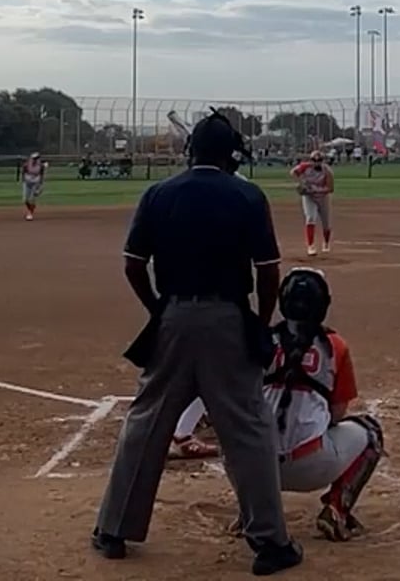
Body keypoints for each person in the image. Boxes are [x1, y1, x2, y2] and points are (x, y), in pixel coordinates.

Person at [90, 111, 302, 575]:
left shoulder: (159, 193)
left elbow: (133, 264)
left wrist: (158, 310)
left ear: (190, 152)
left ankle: (113, 530)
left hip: (173, 316)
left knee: (146, 423)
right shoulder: (247, 194)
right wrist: (259, 321)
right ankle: (270, 543)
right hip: (228, 317)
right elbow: (268, 272)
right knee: (247, 429)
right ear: (231, 154)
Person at [166, 269, 388, 543]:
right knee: (370, 431)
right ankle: (336, 510)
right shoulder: (335, 346)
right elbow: (337, 413)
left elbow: (231, 397)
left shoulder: (258, 339)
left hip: (253, 468)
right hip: (310, 466)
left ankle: (250, 512)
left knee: (235, 430)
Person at [290, 151, 334, 256]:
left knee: (326, 223)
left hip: (322, 197)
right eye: (314, 160)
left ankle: (326, 243)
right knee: (310, 218)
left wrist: (315, 189)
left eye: (319, 160)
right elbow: (293, 172)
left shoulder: (327, 171)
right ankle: (311, 246)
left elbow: (330, 188)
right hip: (309, 197)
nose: (317, 162)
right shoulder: (305, 167)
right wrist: (301, 183)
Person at [20, 152, 47, 221]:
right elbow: (23, 172)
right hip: (27, 183)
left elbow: (42, 175)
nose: (35, 160)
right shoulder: (27, 165)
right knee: (25, 200)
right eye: (34, 158)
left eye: (36, 158)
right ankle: (31, 208)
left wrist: (41, 186)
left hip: (35, 183)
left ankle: (30, 213)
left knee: (32, 199)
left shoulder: (41, 166)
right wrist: (23, 180)